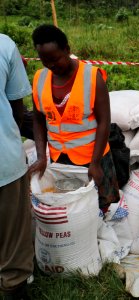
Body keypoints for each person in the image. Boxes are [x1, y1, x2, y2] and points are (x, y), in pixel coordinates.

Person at [28, 25, 119, 213]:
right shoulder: (39, 78)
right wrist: (41, 157)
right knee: (69, 206)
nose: (51, 66)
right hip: (60, 158)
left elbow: (104, 122)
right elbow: (38, 119)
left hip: (93, 157)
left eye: (55, 59)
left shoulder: (92, 77)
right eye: (45, 61)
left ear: (67, 50)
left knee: (100, 204)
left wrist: (95, 163)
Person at [0, 34, 34, 300]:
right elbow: (17, 108)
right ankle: (13, 287)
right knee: (13, 233)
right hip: (5, 159)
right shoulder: (4, 45)